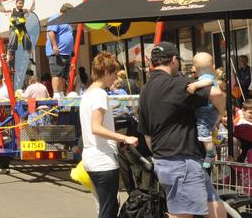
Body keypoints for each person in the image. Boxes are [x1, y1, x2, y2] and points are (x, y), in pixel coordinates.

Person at [138, 42, 226, 218]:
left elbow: (147, 134)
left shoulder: (145, 89)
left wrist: (160, 155)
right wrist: (217, 116)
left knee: (213, 204)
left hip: (167, 160)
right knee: (182, 214)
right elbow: (216, 93)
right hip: (183, 162)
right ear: (173, 60)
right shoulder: (177, 84)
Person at [80, 53, 138, 218]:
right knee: (109, 209)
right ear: (105, 72)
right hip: (102, 159)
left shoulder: (88, 93)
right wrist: (124, 138)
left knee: (104, 207)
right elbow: (96, 127)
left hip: (91, 156)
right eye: (113, 74)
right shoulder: (100, 94)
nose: (115, 78)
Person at [187, 53, 221, 169]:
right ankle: (211, 149)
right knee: (205, 132)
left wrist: (195, 85)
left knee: (204, 132)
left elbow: (208, 82)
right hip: (206, 110)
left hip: (207, 111)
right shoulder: (208, 75)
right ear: (213, 67)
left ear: (195, 69)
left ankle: (210, 154)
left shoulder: (207, 78)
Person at [0, 0, 37, 69]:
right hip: (14, 28)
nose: (21, 5)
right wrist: (0, 3)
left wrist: (34, 1)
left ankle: (30, 57)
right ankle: (9, 55)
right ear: (16, 3)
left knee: (27, 40)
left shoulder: (24, 10)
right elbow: (2, 10)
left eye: (22, 4)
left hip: (22, 29)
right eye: (19, 3)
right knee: (13, 40)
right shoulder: (12, 10)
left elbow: (32, 9)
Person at [45, 3, 75, 98]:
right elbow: (51, 32)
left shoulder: (66, 21)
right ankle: (57, 94)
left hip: (66, 53)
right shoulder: (55, 17)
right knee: (56, 74)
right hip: (57, 52)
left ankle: (61, 93)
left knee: (63, 75)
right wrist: (55, 46)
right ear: (66, 11)